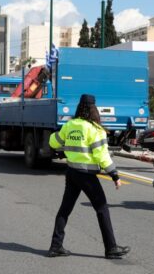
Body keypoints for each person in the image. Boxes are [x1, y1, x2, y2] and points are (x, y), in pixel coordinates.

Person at [47, 94, 130, 259]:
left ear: (79, 107)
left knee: (65, 209)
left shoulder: (69, 125)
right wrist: (114, 174)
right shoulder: (95, 129)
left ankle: (55, 246)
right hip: (87, 176)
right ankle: (111, 248)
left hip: (71, 173)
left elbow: (53, 142)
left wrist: (60, 136)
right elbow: (102, 155)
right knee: (102, 209)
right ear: (94, 109)